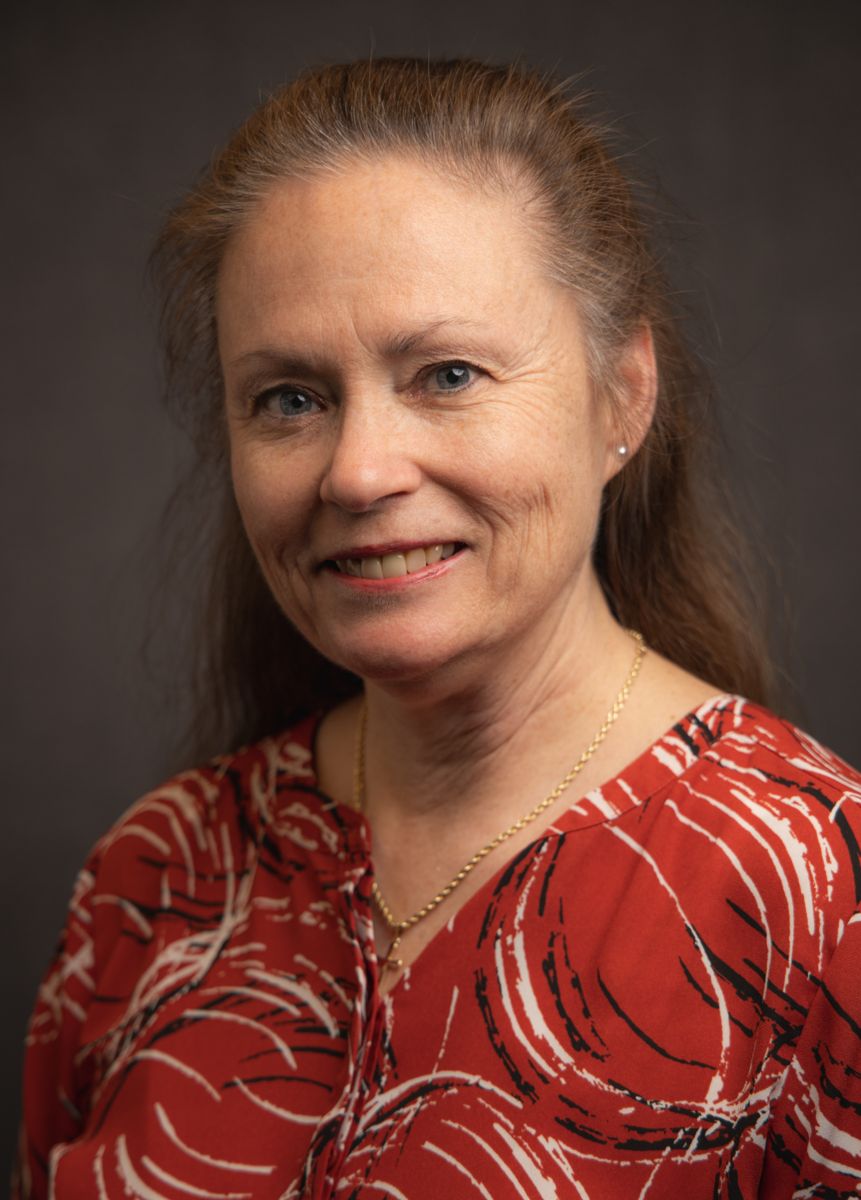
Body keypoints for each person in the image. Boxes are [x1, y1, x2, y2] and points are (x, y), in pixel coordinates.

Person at [13, 58, 861, 1200]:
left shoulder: (818, 899)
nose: (359, 472)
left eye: (448, 373)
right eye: (290, 399)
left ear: (623, 397)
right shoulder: (156, 874)